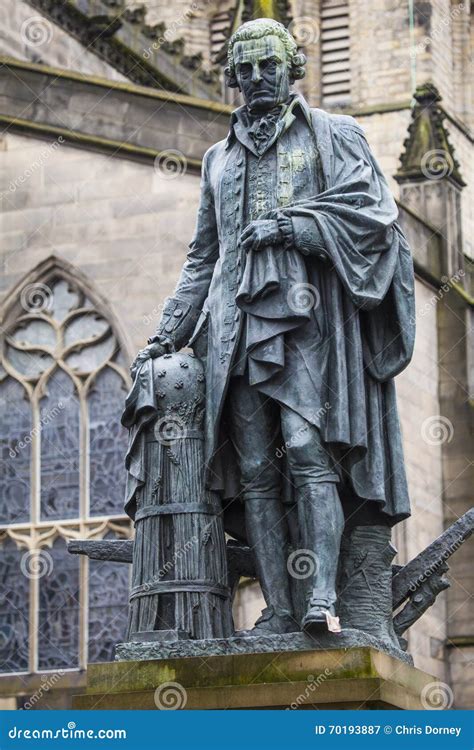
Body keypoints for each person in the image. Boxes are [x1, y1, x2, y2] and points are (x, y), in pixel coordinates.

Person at [131, 18, 415, 635]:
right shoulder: (216, 159)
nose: (257, 79)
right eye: (246, 70)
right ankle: (280, 608)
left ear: (293, 69)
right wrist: (168, 334)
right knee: (256, 471)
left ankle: (322, 600)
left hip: (308, 324)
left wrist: (295, 228)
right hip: (234, 331)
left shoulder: (334, 136)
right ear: (233, 76)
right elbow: (204, 255)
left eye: (269, 67)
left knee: (310, 452)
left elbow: (374, 219)